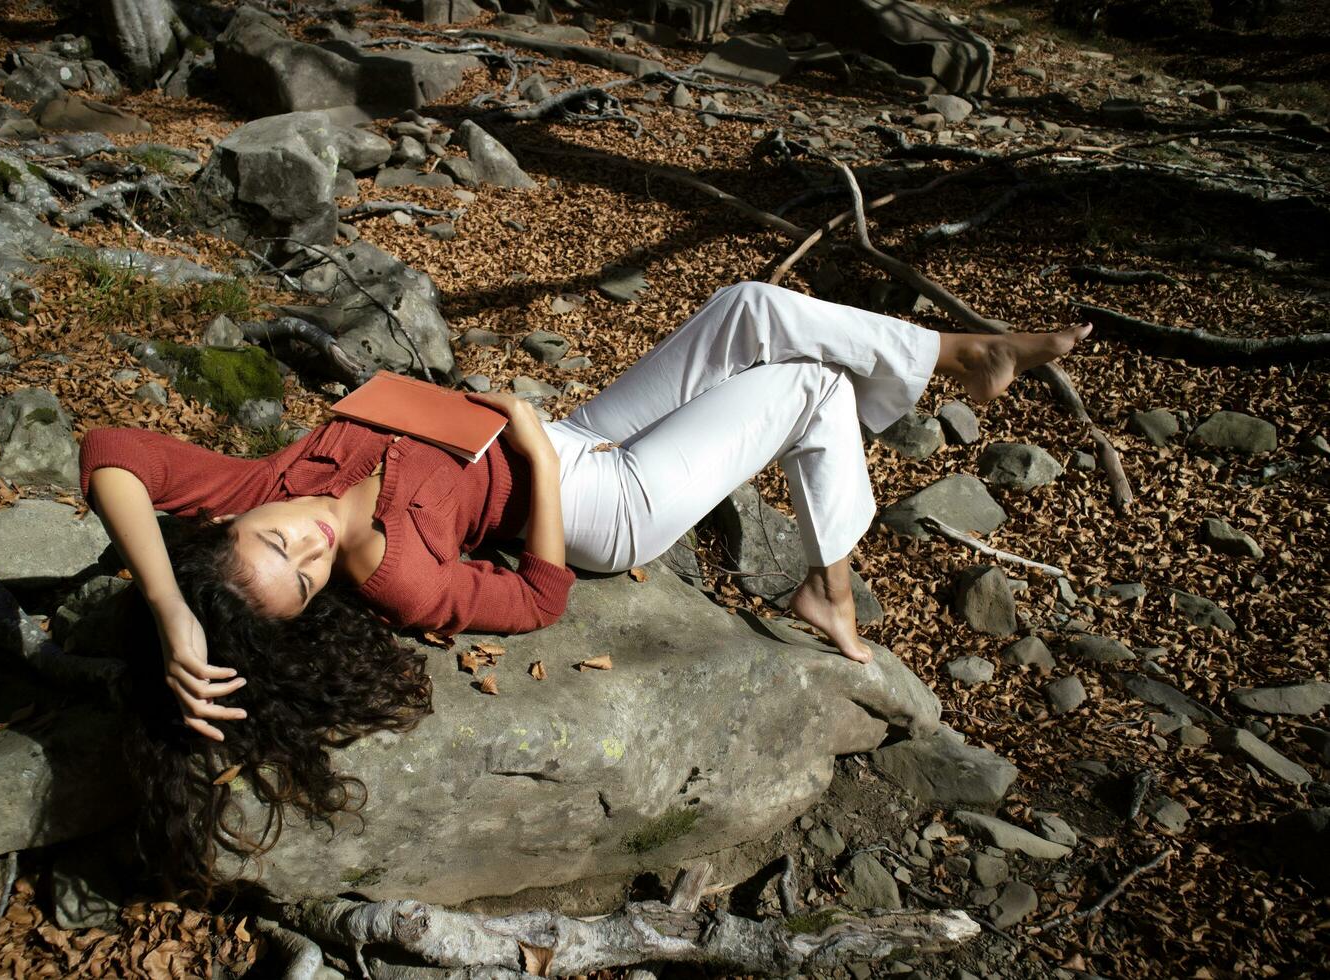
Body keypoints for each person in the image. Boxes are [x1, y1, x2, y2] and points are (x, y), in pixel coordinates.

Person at [84, 281, 1087, 891]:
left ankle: (947, 376)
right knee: (811, 385)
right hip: (604, 500)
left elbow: (112, 450)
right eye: (303, 577)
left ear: (227, 524)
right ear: (315, 603)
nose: (303, 543)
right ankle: (860, 535)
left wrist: (172, 606)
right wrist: (539, 465)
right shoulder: (391, 572)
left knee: (747, 306)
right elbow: (539, 600)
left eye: (277, 541)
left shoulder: (260, 483)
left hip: (568, 431)